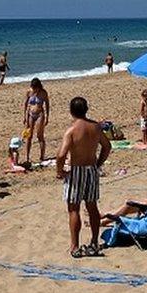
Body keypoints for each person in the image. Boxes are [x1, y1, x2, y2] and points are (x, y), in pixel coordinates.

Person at [56, 96, 111, 258]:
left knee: (74, 208)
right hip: (91, 170)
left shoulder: (72, 130)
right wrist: (98, 163)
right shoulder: (95, 128)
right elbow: (107, 147)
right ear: (86, 110)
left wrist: (60, 171)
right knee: (92, 206)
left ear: (71, 111)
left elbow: (61, 155)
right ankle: (94, 242)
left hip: (77, 171)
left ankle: (75, 246)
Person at [23, 78, 50, 163]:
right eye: (33, 88)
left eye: (36, 88)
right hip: (30, 114)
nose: (34, 90)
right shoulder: (29, 92)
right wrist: (24, 116)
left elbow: (47, 104)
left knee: (39, 135)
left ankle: (42, 157)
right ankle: (27, 157)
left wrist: (47, 116)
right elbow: (25, 104)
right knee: (29, 136)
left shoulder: (43, 93)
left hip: (39, 114)